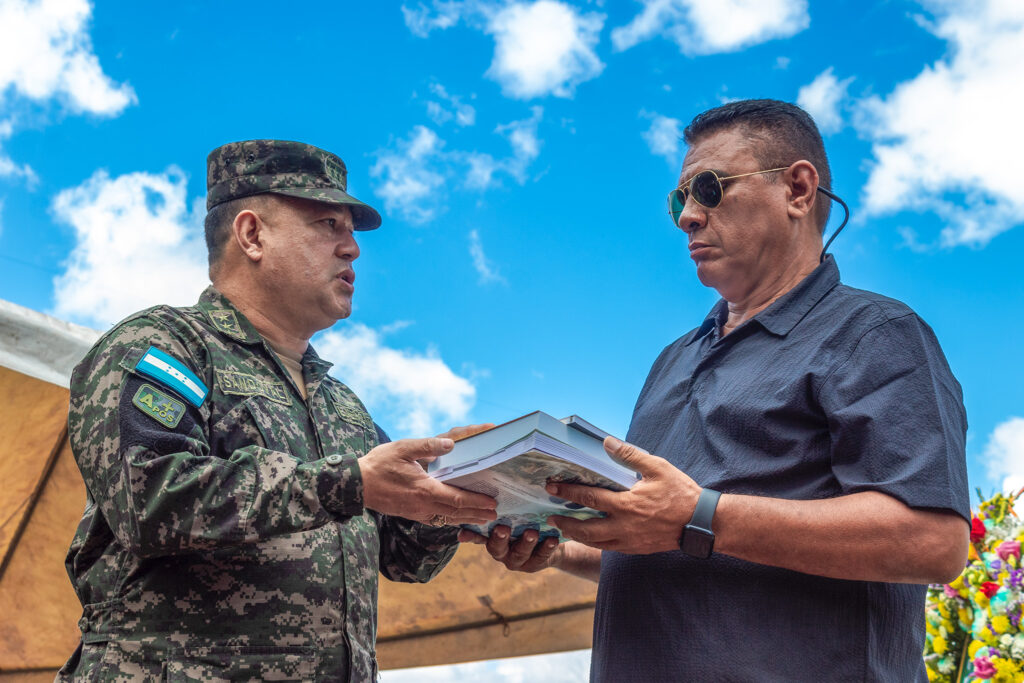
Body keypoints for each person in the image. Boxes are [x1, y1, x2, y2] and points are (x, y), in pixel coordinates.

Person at [462, 100, 970, 681]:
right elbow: (664, 543)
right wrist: (556, 539)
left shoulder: (875, 333)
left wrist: (699, 514)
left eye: (708, 187)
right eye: (679, 199)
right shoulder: (673, 358)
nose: (687, 216)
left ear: (799, 191)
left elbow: (932, 541)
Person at [58, 140, 497, 681]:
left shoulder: (345, 409)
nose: (352, 248)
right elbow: (149, 497)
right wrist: (348, 483)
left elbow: (404, 557)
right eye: (327, 224)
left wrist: (459, 488)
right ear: (252, 235)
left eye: (351, 231)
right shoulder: (165, 347)